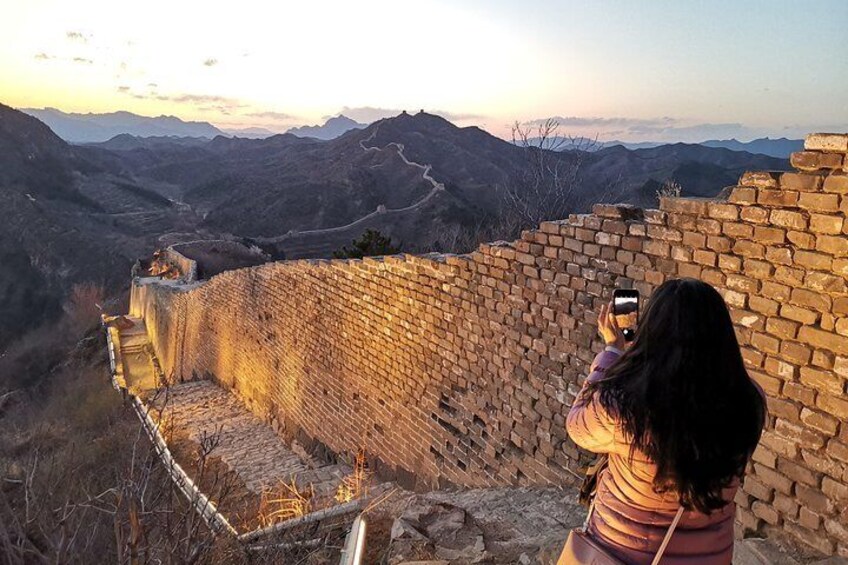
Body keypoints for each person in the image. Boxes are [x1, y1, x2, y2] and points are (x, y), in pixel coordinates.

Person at [566, 278, 766, 564]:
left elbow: (578, 426)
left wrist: (612, 352)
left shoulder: (626, 408)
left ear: (652, 331)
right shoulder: (748, 401)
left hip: (626, 555)